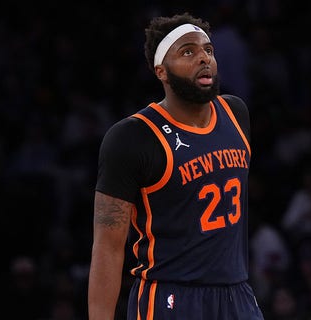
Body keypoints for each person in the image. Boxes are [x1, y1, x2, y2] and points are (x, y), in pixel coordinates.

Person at [88, 12, 264, 320]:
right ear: (162, 72)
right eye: (188, 51)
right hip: (170, 297)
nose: (203, 58)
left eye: (208, 50)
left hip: (237, 293)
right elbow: (108, 249)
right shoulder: (133, 137)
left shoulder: (236, 113)